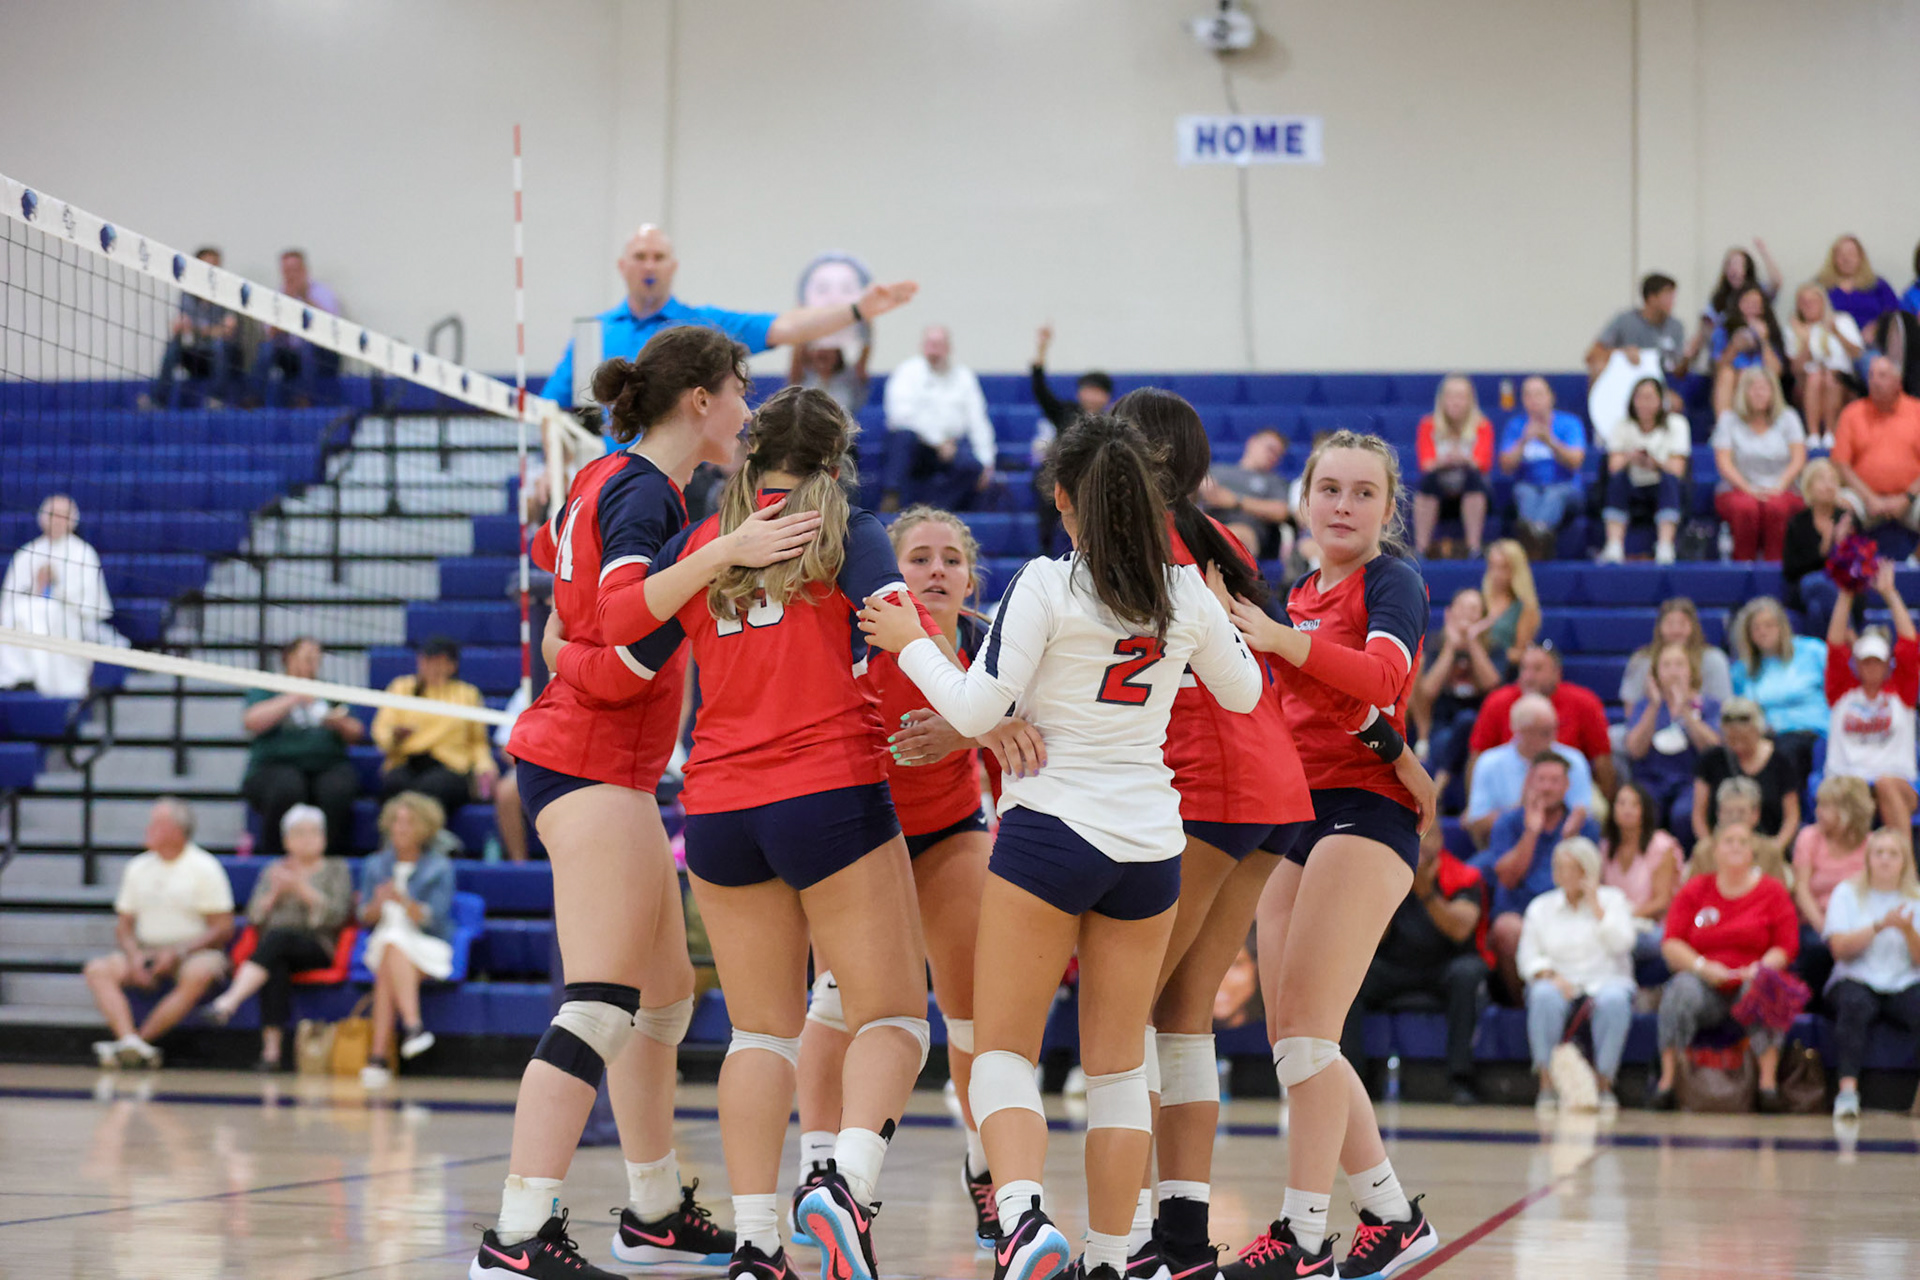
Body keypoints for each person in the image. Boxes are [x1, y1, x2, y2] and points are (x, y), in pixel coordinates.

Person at [861, 412, 1264, 1280]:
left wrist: (908, 646)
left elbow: (972, 712)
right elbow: (1245, 693)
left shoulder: (1046, 583)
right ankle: (1111, 1258)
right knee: (1120, 1068)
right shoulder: (1184, 591)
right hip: (1150, 844)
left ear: (1062, 500)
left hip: (1050, 832)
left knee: (1006, 1050)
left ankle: (1021, 1217)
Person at [583, 386, 935, 1280]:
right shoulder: (843, 528)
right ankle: (843, 1184)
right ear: (832, 461)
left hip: (719, 810)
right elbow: (909, 641)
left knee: (760, 1036)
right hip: (828, 793)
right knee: (894, 1017)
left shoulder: (703, 545)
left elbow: (624, 656)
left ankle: (754, 1244)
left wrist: (563, 652)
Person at [480, 330, 807, 1280]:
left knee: (666, 1000)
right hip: (590, 763)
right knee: (602, 1003)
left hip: (596, 757)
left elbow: (560, 609)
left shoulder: (602, 479)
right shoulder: (642, 492)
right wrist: (728, 552)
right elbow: (621, 622)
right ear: (700, 399)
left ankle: (656, 1210)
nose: (749, 410)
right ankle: (518, 1234)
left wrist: (580, 654)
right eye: (742, 392)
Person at [1220, 428, 1444, 1280]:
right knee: (1295, 1043)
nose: (1344, 505)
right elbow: (1338, 707)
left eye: (1363, 493)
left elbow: (1383, 677)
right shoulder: (1299, 592)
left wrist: (1279, 643)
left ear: (1388, 511)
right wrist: (1401, 749)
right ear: (1305, 500)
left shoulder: (1393, 581)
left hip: (1368, 816)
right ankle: (1389, 1214)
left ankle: (1304, 1235)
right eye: (1331, 490)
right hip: (1298, 814)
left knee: (1312, 1034)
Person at [1109, 389, 1313, 1280]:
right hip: (1265, 781)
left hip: (1215, 778)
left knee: (1124, 1014)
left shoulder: (1147, 538)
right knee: (1180, 1017)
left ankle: (1108, 1247)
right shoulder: (1203, 535)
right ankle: (1182, 1241)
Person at [795, 507, 1010, 1251]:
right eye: (919, 558)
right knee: (834, 1007)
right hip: (864, 832)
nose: (938, 570)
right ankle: (819, 1170)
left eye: (952, 558)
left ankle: (986, 1168)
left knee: (975, 1014)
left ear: (971, 579)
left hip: (951, 833)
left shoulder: (988, 645)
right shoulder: (863, 636)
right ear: (890, 576)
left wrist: (971, 728)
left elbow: (1023, 738)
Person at [539, 223, 916, 418]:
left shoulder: (701, 327)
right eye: (640, 256)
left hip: (683, 483)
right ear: (623, 265)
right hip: (608, 483)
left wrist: (856, 311)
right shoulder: (594, 335)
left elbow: (784, 327)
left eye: (658, 256)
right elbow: (551, 409)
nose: (649, 265)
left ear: (673, 266)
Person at [1651, 820, 1799, 1112]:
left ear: (1752, 852)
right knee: (1680, 988)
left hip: (1749, 982)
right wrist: (1702, 966)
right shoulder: (1696, 890)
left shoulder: (1772, 891)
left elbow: (1787, 946)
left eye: (1743, 841)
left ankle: (1767, 1086)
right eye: (1729, 840)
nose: (1735, 847)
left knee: (1766, 984)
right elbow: (1671, 943)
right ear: (1715, 851)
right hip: (1705, 987)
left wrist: (1759, 968)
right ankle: (1667, 1082)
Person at [1341, 824, 1489, 1108]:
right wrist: (1393, 893)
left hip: (1445, 967)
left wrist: (1426, 894)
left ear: (1440, 839)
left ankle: (1460, 1079)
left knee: (1468, 973)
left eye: (1427, 836)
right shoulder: (1385, 874)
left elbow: (1461, 929)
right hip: (1394, 966)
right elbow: (1373, 935)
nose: (1420, 845)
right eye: (1414, 837)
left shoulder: (1464, 875)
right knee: (1348, 975)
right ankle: (1354, 1083)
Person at [83, 799, 233, 1069]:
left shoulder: (204, 867)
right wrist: (134, 955)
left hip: (194, 950)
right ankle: (129, 1040)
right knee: (97, 969)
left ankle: (141, 1042)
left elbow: (223, 927)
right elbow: (124, 925)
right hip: (146, 948)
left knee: (199, 973)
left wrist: (179, 952)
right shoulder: (138, 867)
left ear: (176, 830)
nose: (148, 828)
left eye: (156, 823)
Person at [205, 806, 354, 1070]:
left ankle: (230, 1000)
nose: (307, 838)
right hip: (274, 948)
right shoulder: (274, 869)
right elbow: (253, 918)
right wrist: (274, 893)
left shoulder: (336, 869)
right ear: (286, 840)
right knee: (275, 961)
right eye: (299, 833)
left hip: (317, 945)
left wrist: (301, 889)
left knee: (278, 940)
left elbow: (338, 916)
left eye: (313, 832)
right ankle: (271, 1052)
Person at [1517, 837, 1636, 1112]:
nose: (1563, 874)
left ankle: (1603, 1084)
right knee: (1543, 995)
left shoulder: (1613, 900)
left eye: (1572, 868)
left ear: (1588, 870)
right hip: (1560, 981)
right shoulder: (1541, 907)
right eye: (1559, 867)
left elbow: (1623, 943)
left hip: (1606, 981)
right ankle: (1547, 1084)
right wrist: (1550, 974)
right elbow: (1527, 958)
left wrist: (1598, 909)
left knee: (1615, 1001)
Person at [1473, 754, 1603, 1000]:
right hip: (1521, 916)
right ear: (1529, 783)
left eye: (1554, 780)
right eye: (1541, 779)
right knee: (1506, 929)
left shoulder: (1583, 827)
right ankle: (1522, 1004)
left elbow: (1591, 882)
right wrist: (1532, 832)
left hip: (1570, 913)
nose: (1547, 787)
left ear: (1567, 786)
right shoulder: (1508, 822)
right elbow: (1508, 878)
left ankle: (1578, 1000)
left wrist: (1569, 842)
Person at [355, 792, 456, 1089]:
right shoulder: (375, 864)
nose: (400, 829)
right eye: (396, 823)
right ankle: (413, 1028)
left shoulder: (440, 866)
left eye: (408, 823)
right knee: (391, 942)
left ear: (424, 828)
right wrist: (376, 903)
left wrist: (404, 902)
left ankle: (378, 1058)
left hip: (426, 942)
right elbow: (365, 917)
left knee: (390, 957)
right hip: (386, 940)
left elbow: (436, 918)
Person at [1821, 830, 1920, 1119]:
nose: (1886, 860)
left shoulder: (1915, 898)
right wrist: (1879, 925)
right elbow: (1839, 949)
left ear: (1905, 861)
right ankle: (1847, 1093)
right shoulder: (1847, 893)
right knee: (1854, 1005)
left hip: (1904, 980)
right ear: (1868, 859)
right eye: (1879, 853)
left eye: (1893, 853)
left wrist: (1906, 930)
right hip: (1856, 976)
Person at [240, 637, 364, 858]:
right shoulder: (268, 687)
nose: (312, 663)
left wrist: (337, 722)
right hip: (275, 766)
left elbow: (357, 732)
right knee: (287, 788)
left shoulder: (328, 689)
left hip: (327, 764)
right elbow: (251, 721)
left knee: (337, 790)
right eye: (307, 658)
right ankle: (276, 858)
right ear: (288, 658)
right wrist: (294, 697)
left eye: (317, 659)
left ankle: (330, 860)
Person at [1824, 561, 1919, 844]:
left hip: (1895, 783)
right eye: (1865, 662)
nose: (1871, 668)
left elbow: (1910, 644)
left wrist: (1890, 594)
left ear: (1887, 664)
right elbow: (1835, 644)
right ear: (1857, 664)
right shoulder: (1842, 692)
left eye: (1877, 662)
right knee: (1849, 795)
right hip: (1848, 781)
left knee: (1885, 784)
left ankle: (1906, 873)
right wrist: (1846, 592)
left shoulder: (1900, 693)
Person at [0, 494, 118, 697]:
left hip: (70, 619)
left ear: (72, 520)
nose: (57, 520)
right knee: (19, 615)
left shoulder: (83, 553)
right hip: (28, 618)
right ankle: (21, 679)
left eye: (63, 515)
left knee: (43, 615)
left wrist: (57, 585)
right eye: (52, 515)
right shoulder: (27, 553)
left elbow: (90, 604)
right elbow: (9, 600)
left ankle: (48, 687)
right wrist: (38, 585)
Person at [369, 638, 496, 823]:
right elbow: (381, 730)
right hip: (407, 762)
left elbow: (477, 741)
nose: (431, 667)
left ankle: (426, 846)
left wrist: (485, 767)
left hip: (449, 767)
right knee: (394, 785)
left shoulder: (467, 694)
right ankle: (394, 844)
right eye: (426, 660)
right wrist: (394, 736)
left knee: (430, 790)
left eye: (439, 661)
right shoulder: (401, 687)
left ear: (452, 665)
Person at [1469, 644, 1617, 799]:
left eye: (1537, 669)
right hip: (1510, 786)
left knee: (1596, 809)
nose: (1528, 676)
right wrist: (1474, 802)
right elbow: (1477, 756)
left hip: (1569, 786)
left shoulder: (1584, 703)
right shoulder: (1497, 702)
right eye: (1524, 669)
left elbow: (1602, 761)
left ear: (1557, 673)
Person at [881, 325, 996, 513]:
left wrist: (987, 461)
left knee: (972, 466)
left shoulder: (964, 377)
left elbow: (978, 420)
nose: (934, 350)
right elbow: (900, 415)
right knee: (900, 438)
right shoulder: (907, 372)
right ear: (922, 346)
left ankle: (933, 509)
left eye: (939, 345)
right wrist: (937, 442)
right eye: (930, 344)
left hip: (952, 447)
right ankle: (891, 498)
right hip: (919, 446)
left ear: (948, 348)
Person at [1410, 587, 1503, 810]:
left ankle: (1439, 787)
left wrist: (1472, 643)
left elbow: (1493, 685)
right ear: (1449, 613)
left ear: (1483, 618)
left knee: (1469, 720)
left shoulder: (1494, 648)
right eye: (1462, 608)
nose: (1467, 615)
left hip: (1482, 730)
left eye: (1474, 610)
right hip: (1443, 729)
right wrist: (1451, 648)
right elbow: (1428, 690)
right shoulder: (1436, 644)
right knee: (1457, 729)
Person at [1463, 695, 1594, 848]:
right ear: (1520, 731)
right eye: (1544, 732)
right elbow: (1477, 822)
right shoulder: (1489, 763)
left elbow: (1583, 812)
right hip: (1505, 845)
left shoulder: (1573, 761)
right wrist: (1524, 815)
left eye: (1555, 728)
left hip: (1559, 843)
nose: (1553, 737)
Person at [1028, 323, 1114, 553]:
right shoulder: (1066, 412)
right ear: (1079, 392)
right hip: (1060, 475)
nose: (1093, 396)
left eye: (1098, 391)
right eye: (1088, 389)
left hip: (1094, 478)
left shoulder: (1113, 421)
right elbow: (1040, 389)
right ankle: (1044, 554)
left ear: (1106, 396)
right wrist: (1042, 349)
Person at [1790, 774, 1876, 998]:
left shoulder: (1872, 845)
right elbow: (1801, 890)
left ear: (1848, 810)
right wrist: (1827, 928)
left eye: (1826, 806)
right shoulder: (1809, 837)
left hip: (1858, 923)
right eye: (1818, 804)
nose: (1818, 811)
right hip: (1816, 920)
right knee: (1816, 948)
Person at [1624, 643, 1722, 833]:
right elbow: (1635, 750)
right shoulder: (1645, 706)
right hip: (1651, 780)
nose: (1673, 671)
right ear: (1656, 673)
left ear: (1691, 671)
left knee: (1684, 813)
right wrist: (1654, 706)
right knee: (1645, 808)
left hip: (1692, 780)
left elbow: (1713, 749)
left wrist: (1685, 709)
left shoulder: (1708, 705)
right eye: (1666, 665)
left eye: (1679, 665)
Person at [1712, 367, 1808, 562]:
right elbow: (1724, 463)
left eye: (1764, 388)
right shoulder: (1728, 420)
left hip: (1782, 487)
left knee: (1776, 507)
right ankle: (1742, 566)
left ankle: (1775, 568)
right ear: (1743, 392)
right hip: (1738, 488)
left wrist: (1778, 486)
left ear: (1774, 392)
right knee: (1746, 508)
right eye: (1753, 388)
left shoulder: (1788, 418)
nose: (1759, 393)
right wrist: (1748, 488)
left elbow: (1798, 459)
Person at [1830, 356, 1920, 559]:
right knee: (1838, 510)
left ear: (1898, 382)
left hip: (1911, 498)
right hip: (1864, 497)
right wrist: (1869, 498)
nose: (1875, 381)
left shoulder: (1917, 410)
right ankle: (1849, 571)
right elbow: (1840, 464)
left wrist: (1907, 498)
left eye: (1882, 375)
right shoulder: (1852, 413)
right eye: (1871, 376)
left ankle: (1915, 563)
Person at [1728, 596, 1828, 777]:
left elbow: (1837, 691)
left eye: (1769, 625)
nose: (1763, 632)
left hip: (1811, 734)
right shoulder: (1741, 670)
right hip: (1763, 737)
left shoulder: (1813, 651)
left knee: (1782, 755)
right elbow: (1741, 713)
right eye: (1756, 628)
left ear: (1782, 627)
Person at [1599, 376, 1692, 564]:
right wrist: (1630, 457)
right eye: (1639, 397)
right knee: (1617, 480)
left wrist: (1655, 463)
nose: (1644, 403)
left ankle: (1665, 546)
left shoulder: (1677, 424)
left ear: (1661, 400)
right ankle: (1614, 544)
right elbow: (1613, 466)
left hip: (1661, 486)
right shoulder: (1621, 425)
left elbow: (1678, 469)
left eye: (1650, 397)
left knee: (1669, 479)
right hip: (1632, 485)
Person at [1692, 698, 1803, 853]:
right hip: (1722, 846)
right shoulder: (1711, 760)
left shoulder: (1781, 762)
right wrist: (1710, 847)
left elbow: (1792, 817)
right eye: (1732, 739)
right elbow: (1698, 814)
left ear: (1758, 732)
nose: (1738, 745)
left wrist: (1775, 849)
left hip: (1767, 845)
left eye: (1744, 739)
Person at [1497, 376, 1587, 558]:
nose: (1534, 400)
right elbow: (1505, 466)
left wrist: (1550, 441)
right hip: (1528, 486)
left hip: (1565, 487)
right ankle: (1538, 540)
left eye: (1538, 394)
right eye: (1528, 395)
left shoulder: (1569, 423)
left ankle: (1533, 538)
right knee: (1525, 492)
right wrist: (1523, 441)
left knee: (1554, 494)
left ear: (1551, 397)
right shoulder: (1516, 426)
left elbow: (1576, 461)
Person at [1600, 781, 1684, 969]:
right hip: (1616, 924)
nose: (1627, 810)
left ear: (1644, 809)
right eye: (1621, 803)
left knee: (1623, 941)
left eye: (1634, 804)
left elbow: (1662, 902)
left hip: (1650, 926)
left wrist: (1622, 917)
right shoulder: (1606, 847)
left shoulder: (1661, 845)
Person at [145, 245, 240, 407]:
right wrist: (207, 330)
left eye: (215, 266)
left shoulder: (228, 293)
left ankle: (215, 400)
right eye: (207, 266)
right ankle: (158, 400)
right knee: (174, 345)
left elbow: (228, 330)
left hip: (220, 355)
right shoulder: (187, 294)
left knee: (219, 345)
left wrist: (198, 330)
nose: (211, 270)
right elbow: (179, 327)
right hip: (195, 354)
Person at [1412, 374, 1494, 558]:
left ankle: (1474, 548)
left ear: (1470, 400)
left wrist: (1462, 459)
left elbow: (1483, 463)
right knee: (1428, 482)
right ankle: (1421, 549)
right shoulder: (1428, 424)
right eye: (1450, 396)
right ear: (1442, 400)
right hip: (1439, 487)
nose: (1455, 402)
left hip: (1469, 487)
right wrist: (1445, 461)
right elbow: (1426, 463)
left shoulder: (1482, 425)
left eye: (1460, 397)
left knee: (1474, 478)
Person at [251, 249, 342, 405]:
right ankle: (254, 399)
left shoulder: (323, 293)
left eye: (295, 270)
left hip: (321, 353)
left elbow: (329, 328)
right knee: (266, 349)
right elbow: (270, 333)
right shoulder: (277, 296)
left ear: (305, 270)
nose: (291, 275)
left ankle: (304, 400)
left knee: (307, 346)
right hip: (289, 354)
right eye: (287, 271)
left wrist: (305, 298)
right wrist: (287, 302)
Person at [1781, 459, 1857, 635]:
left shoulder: (1848, 519)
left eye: (1832, 480)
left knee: (1816, 608)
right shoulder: (1798, 523)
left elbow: (1857, 567)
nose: (1828, 485)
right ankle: (1849, 634)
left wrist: (1840, 546)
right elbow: (1791, 571)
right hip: (1804, 590)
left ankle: (1823, 653)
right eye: (1822, 480)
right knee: (1816, 582)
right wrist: (1824, 548)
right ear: (1809, 486)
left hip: (1843, 589)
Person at [1783, 283, 1864, 448]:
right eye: (1803, 302)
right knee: (1815, 377)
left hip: (1841, 378)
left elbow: (1857, 353)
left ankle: (1830, 432)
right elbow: (1795, 368)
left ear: (1823, 302)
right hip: (1807, 381)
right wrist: (1805, 340)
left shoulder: (1842, 319)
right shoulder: (1794, 329)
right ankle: (1813, 434)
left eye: (1813, 301)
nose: (1808, 306)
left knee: (1829, 377)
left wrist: (1835, 332)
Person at [1618, 599, 1735, 708]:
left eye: (1682, 624)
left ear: (1694, 627)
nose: (1676, 631)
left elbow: (1723, 707)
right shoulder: (1642, 660)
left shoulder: (1713, 659)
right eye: (1669, 624)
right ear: (1659, 627)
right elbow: (1630, 711)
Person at [1200, 430, 1293, 561]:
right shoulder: (1218, 470)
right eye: (1270, 449)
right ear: (1252, 442)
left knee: (1236, 534)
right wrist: (1202, 487)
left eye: (1278, 454)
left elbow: (1281, 511)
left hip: (1245, 531)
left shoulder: (1274, 481)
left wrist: (1235, 501)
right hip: (1207, 524)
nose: (1273, 456)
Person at [1586, 272, 1688, 382]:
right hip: (1625, 379)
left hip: (1657, 383)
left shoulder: (1675, 327)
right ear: (1652, 298)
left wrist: (1688, 357)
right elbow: (1592, 354)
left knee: (1673, 399)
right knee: (1598, 366)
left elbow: (1678, 370)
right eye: (1667, 296)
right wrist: (1622, 353)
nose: (1672, 302)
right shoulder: (1625, 321)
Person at [1707, 284, 1786, 417]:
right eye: (1747, 302)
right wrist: (1734, 347)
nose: (1751, 307)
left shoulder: (1770, 330)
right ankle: (1724, 426)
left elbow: (1776, 372)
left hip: (1761, 382)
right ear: (1738, 304)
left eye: (1756, 303)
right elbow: (1718, 369)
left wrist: (1764, 341)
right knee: (1727, 374)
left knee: (1752, 377)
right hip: (1733, 384)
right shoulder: (1723, 330)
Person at [1819, 235, 1901, 341]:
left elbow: (1895, 315)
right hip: (1833, 345)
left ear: (1860, 257)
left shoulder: (1878, 285)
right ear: (1833, 259)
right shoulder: (1821, 286)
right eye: (1840, 255)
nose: (1846, 259)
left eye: (1851, 254)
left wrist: (1876, 327)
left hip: (1873, 344)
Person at [1479, 538, 1540, 671]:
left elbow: (1521, 653)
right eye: (1492, 566)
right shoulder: (1478, 600)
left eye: (1503, 568)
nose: (1496, 574)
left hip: (1506, 672)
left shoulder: (1525, 608)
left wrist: (1485, 652)